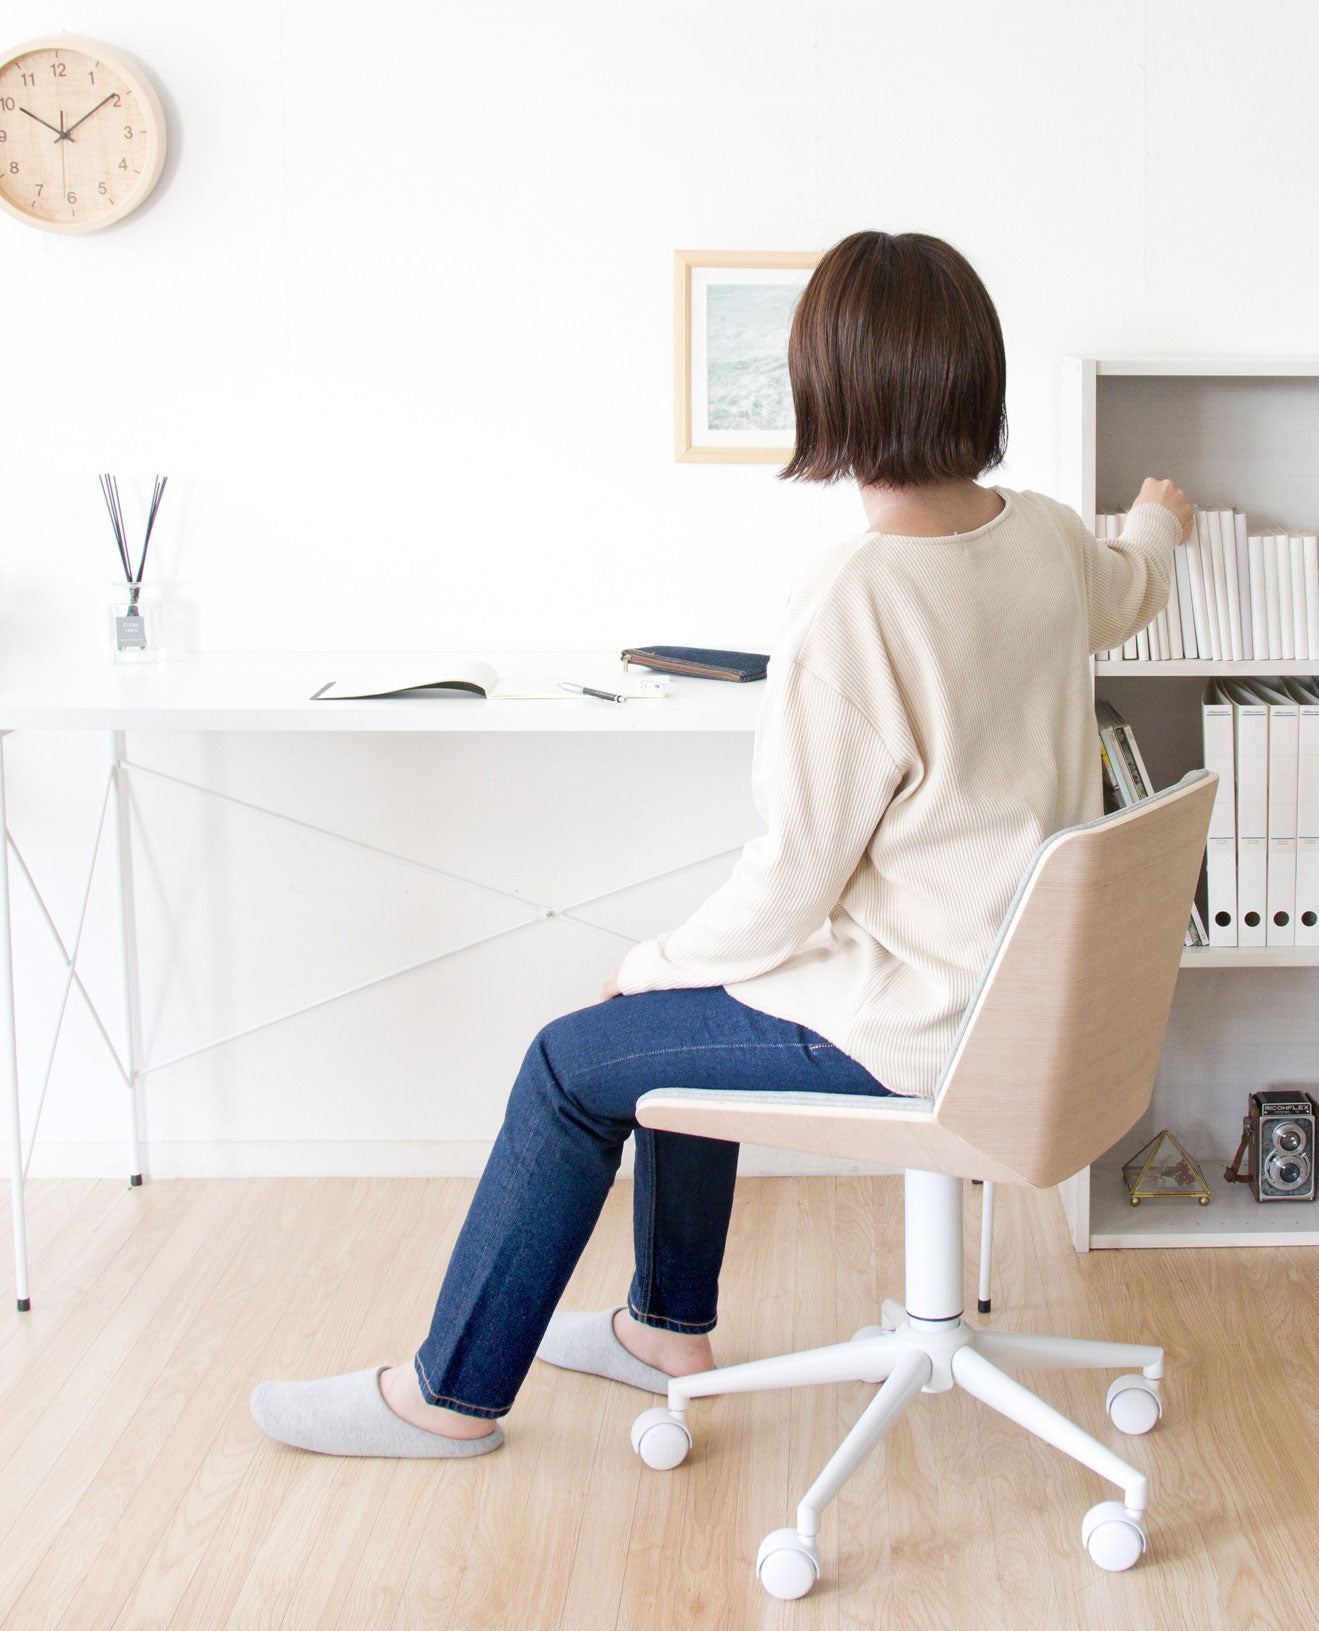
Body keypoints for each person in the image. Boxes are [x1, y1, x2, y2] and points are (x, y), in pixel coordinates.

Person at [250, 229, 1193, 1458]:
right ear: (978, 380)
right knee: (693, 997)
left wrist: (646, 960)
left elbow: (793, 879)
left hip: (916, 1022)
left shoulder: (854, 594)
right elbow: (1130, 585)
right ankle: (660, 1330)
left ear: (829, 389)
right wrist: (1155, 523)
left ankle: (448, 1395)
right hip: (1025, 1010)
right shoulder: (1049, 538)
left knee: (570, 1059)